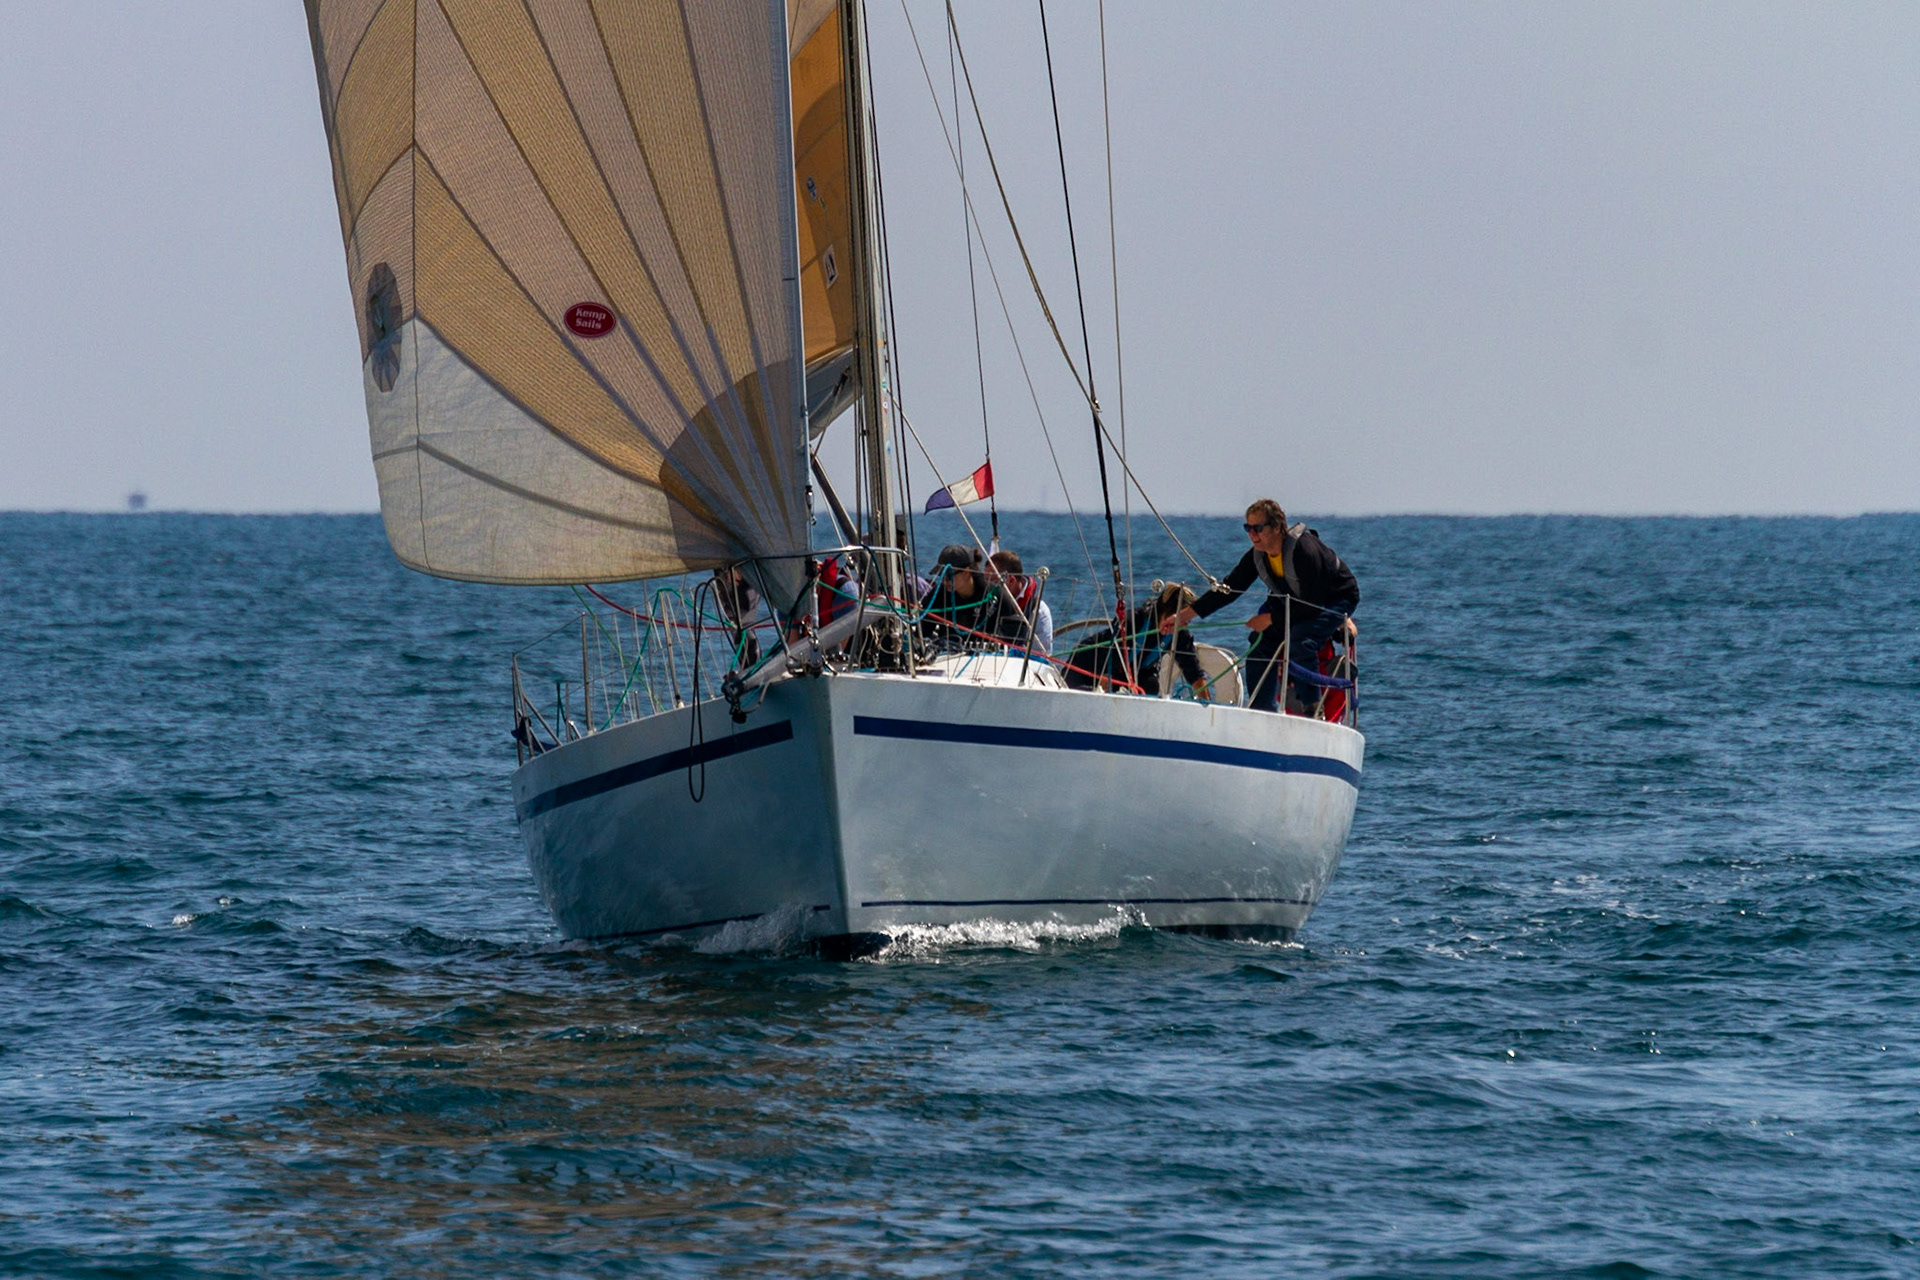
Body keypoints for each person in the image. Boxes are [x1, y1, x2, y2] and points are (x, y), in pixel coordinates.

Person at [1160, 499, 1359, 713]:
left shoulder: (1305, 550)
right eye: (1248, 528)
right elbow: (1230, 589)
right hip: (1298, 602)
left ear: (1277, 527)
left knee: (1301, 640)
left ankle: (1313, 709)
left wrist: (1271, 618)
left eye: (1258, 528)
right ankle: (1262, 710)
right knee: (1260, 643)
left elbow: (1312, 605)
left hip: (1334, 599)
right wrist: (1184, 616)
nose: (1252, 534)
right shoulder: (1258, 555)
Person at [919, 543, 1006, 649]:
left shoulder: (994, 594)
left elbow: (1015, 635)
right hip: (947, 655)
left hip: (989, 656)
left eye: (949, 576)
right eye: (941, 575)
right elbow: (921, 632)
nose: (944, 581)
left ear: (967, 572)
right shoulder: (939, 594)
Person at [986, 549, 1053, 655]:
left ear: (1011, 581)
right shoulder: (986, 602)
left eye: (992, 582)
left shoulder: (1038, 611)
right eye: (985, 582)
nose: (987, 587)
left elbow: (1041, 657)